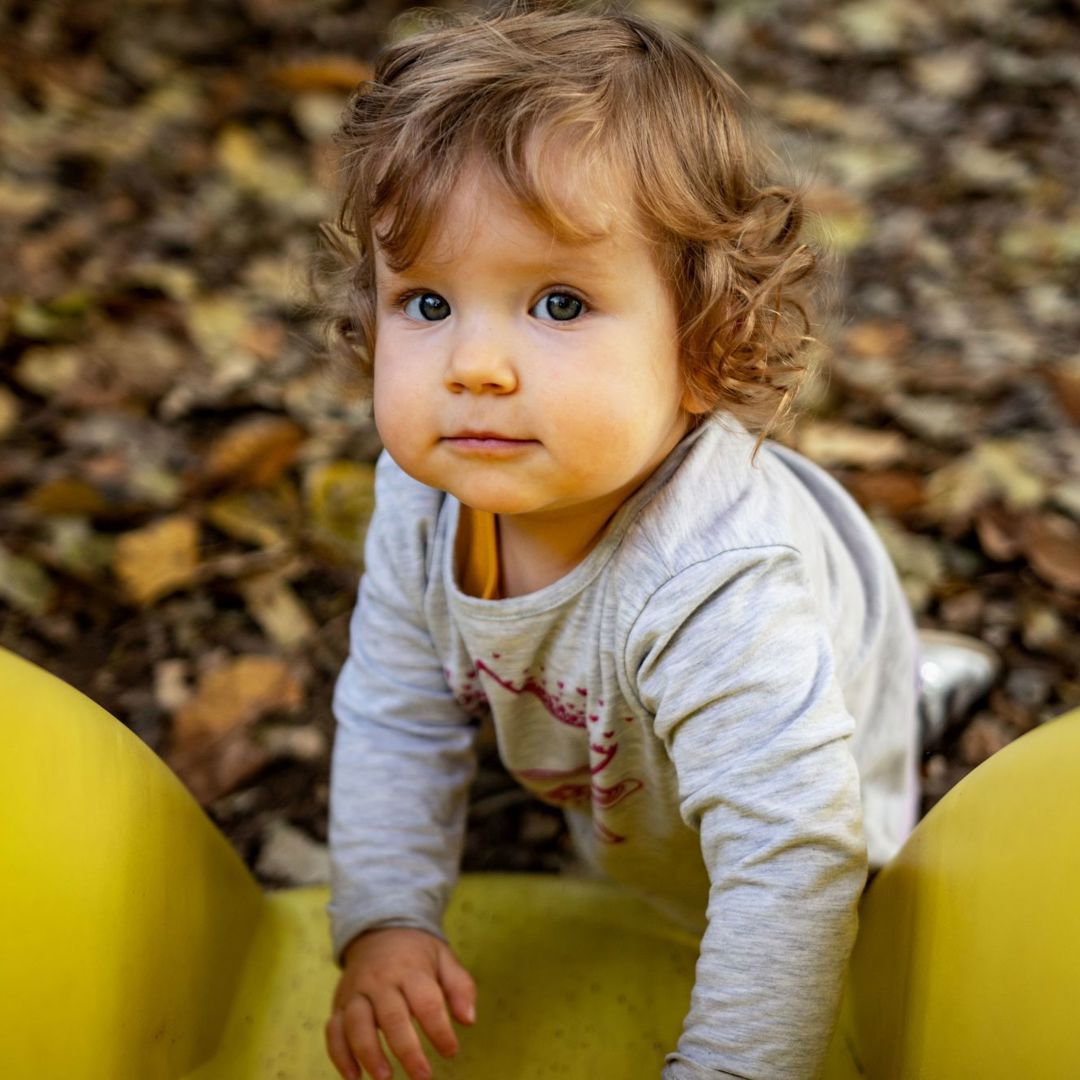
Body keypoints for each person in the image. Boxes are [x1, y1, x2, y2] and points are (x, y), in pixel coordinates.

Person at [318, 5, 996, 1078]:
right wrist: (386, 916)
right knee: (660, 812)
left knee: (829, 832)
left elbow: (789, 860)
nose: (475, 365)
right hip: (632, 765)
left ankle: (904, 694)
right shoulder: (423, 498)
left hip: (798, 694)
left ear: (702, 349)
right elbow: (396, 717)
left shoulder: (719, 588)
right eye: (429, 301)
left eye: (556, 301)